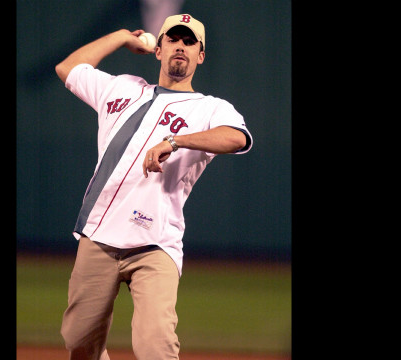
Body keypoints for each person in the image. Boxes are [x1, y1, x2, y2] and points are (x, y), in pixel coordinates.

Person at [55, 14, 253, 360]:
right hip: (98, 235)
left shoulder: (210, 108)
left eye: (190, 42)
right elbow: (68, 68)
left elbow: (236, 137)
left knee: (155, 345)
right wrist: (120, 36)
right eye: (173, 39)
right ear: (158, 49)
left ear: (200, 56)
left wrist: (176, 141)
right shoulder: (122, 88)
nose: (181, 46)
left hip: (155, 243)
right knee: (79, 342)